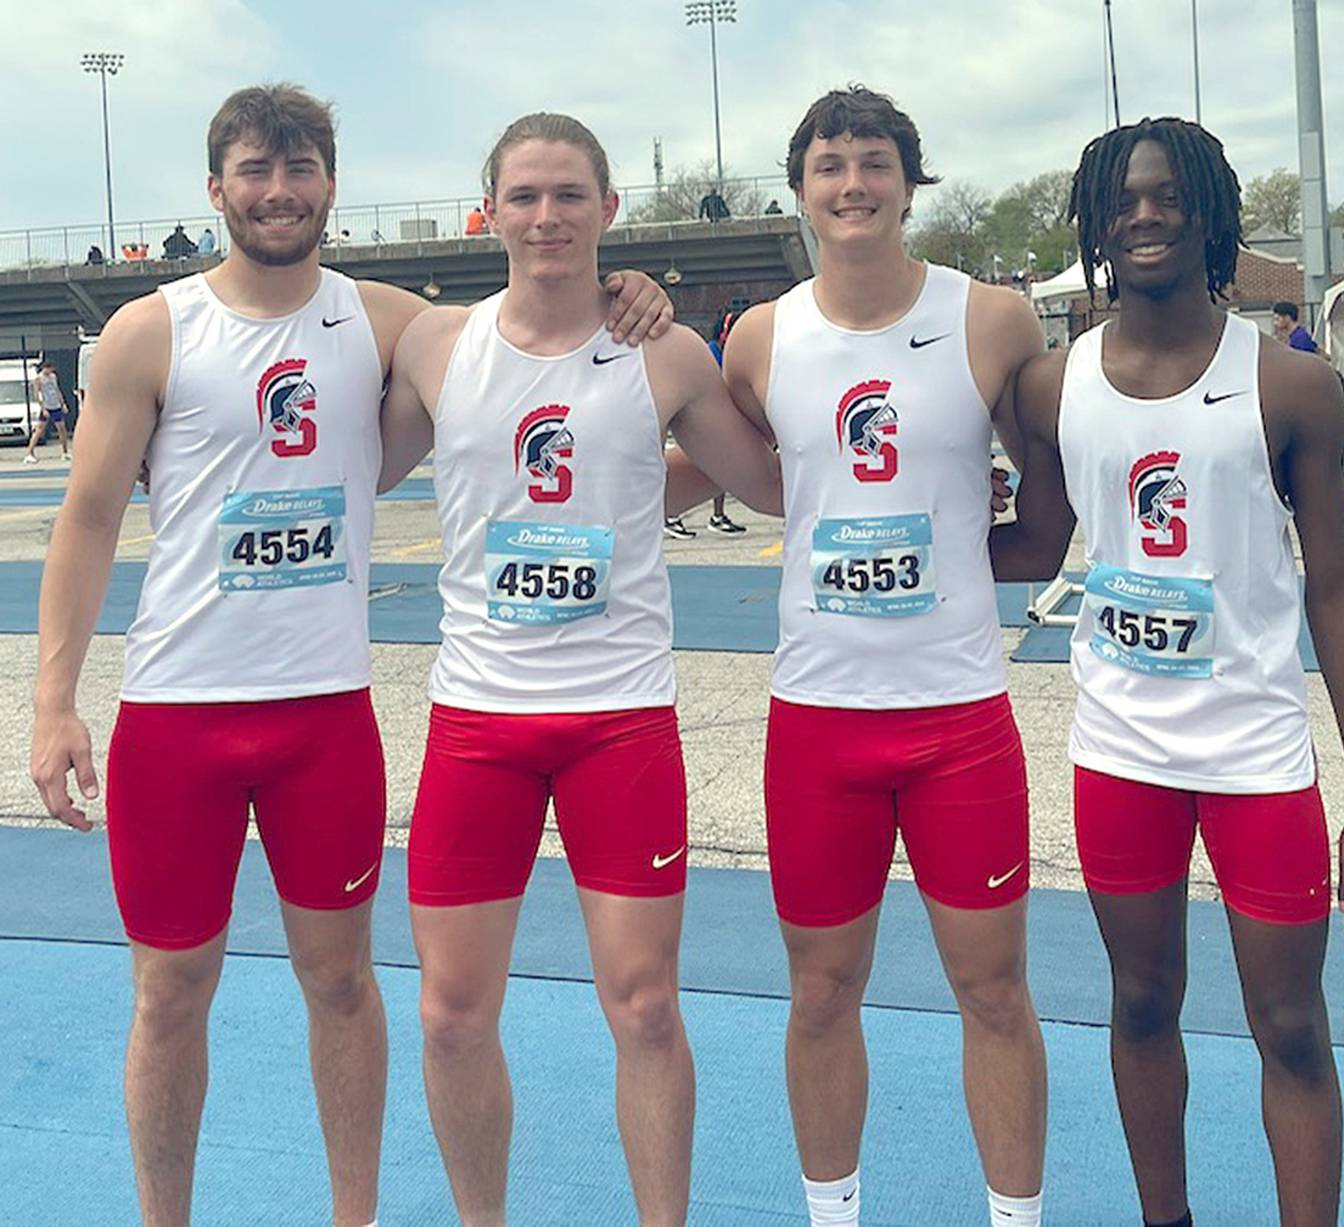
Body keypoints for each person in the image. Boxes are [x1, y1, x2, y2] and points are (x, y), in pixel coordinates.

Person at [28, 84, 672, 1227]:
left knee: (341, 983)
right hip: (178, 711)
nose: (279, 194)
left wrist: (627, 286)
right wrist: (52, 703)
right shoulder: (151, 329)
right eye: (255, 173)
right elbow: (85, 516)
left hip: (324, 716)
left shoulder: (389, 321)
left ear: (331, 183)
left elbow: (540, 311)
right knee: (170, 993)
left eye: (301, 170)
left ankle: (354, 1216)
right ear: (215, 189)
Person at [991, 116, 1344, 1227]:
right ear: (1095, 224)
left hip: (1256, 755)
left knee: (1290, 1028)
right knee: (1139, 1004)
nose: (1144, 214)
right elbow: (1028, 549)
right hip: (1120, 754)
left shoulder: (1290, 387)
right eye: (1122, 200)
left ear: (1211, 212)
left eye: (1169, 194)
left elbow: (1335, 590)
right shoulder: (1046, 386)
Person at [375, 111, 781, 1226]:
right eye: (525, 196)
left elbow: (778, 483)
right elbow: (340, 461)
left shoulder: (663, 351)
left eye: (569, 196)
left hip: (620, 724)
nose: (546, 216)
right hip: (478, 724)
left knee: (645, 1007)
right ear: (491, 212)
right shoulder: (436, 345)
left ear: (607, 210)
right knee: (452, 1017)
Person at [716, 86, 1049, 1227]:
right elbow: (730, 473)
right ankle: (832, 1215)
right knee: (820, 993)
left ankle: (1016, 1216)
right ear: (799, 186)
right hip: (818, 719)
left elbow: (1052, 501)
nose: (851, 184)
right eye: (828, 165)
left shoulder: (995, 319)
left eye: (873, 163)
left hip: (958, 717)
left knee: (994, 990)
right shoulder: (759, 336)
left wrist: (963, 551)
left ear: (910, 181)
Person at [706, 311, 746, 534]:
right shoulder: (710, 354)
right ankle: (670, 516)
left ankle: (718, 515)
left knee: (719, 471)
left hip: (721, 419)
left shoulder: (729, 354)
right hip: (704, 420)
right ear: (724, 334)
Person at [24, 360, 71, 464]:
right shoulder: (39, 379)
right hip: (47, 406)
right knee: (39, 430)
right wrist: (43, 408)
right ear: (46, 368)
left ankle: (65, 452)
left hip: (56, 406)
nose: (51, 371)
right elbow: (37, 395)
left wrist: (63, 403)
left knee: (62, 429)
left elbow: (57, 390)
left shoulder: (53, 377)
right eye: (50, 369)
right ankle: (29, 453)